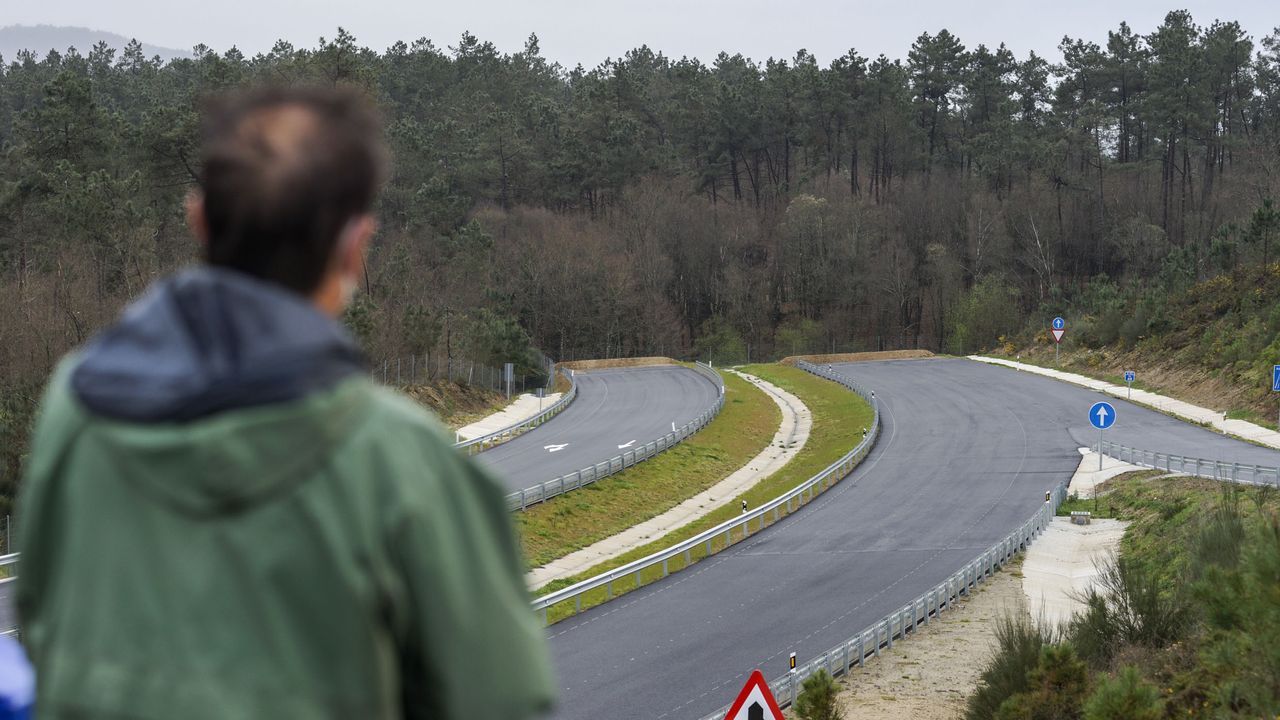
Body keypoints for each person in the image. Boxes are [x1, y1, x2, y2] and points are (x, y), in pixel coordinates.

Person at [15, 85, 555, 719]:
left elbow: (39, 625)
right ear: (355, 244)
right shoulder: (400, 459)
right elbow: (500, 698)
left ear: (200, 221)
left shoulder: (73, 408)